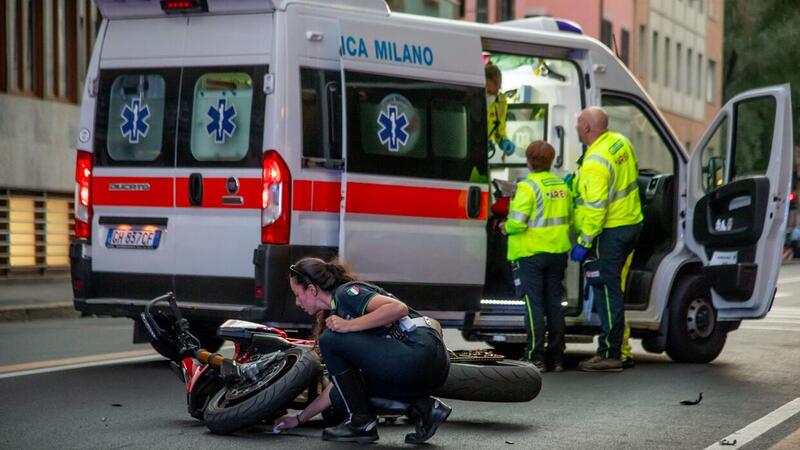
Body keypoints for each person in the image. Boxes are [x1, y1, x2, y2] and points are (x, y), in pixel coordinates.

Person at [273, 257, 451, 444]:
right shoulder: (340, 311)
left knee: (329, 340)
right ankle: (426, 408)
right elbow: (342, 384)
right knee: (341, 396)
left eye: (297, 294)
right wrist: (299, 419)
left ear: (311, 289)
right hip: (427, 367)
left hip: (419, 354)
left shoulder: (346, 293)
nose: (296, 302)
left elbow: (398, 308)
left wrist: (349, 325)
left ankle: (361, 424)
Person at [570, 107, 643, 372]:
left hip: (610, 230)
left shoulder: (595, 160)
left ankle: (610, 354)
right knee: (614, 288)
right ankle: (621, 350)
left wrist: (584, 242)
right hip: (631, 222)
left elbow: (596, 208)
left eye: (579, 123)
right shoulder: (620, 142)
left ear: (587, 128)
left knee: (606, 290)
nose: (577, 127)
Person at [502, 141, 571, 372]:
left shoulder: (527, 187)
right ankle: (557, 357)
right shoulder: (562, 186)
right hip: (558, 252)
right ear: (551, 161)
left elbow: (517, 223)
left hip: (531, 253)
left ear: (529, 162)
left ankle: (535, 356)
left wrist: (504, 226)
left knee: (534, 305)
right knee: (554, 304)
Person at [485, 62, 516, 157]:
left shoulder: (500, 103)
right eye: (487, 91)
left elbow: (499, 129)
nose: (490, 96)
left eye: (493, 93)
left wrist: (504, 141)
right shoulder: (471, 98)